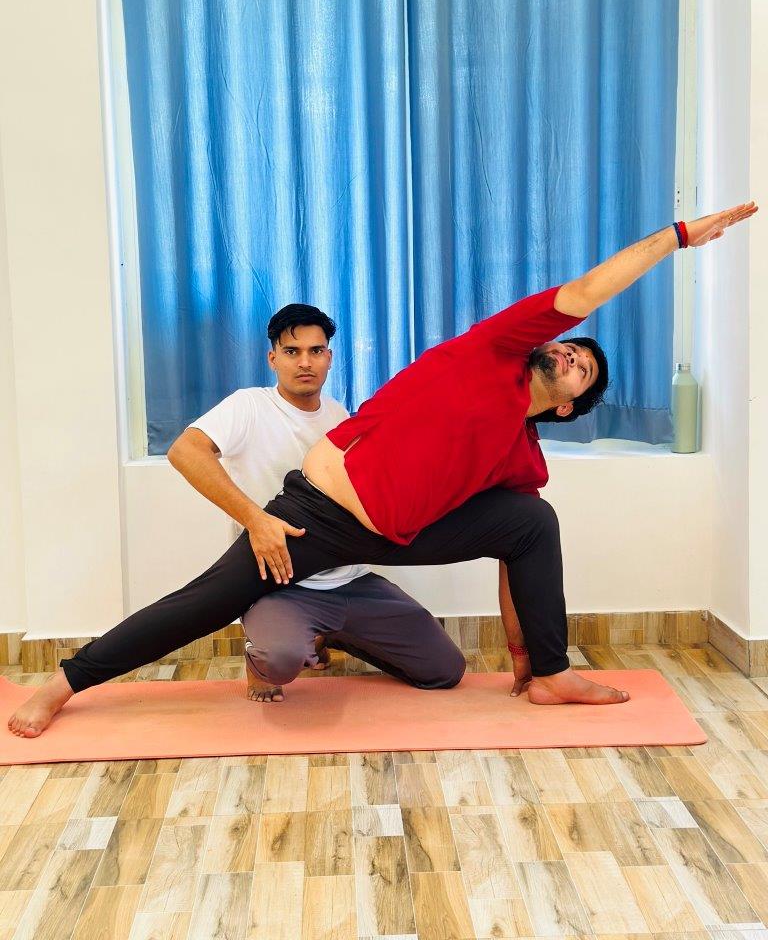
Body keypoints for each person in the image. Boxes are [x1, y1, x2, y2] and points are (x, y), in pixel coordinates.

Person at [8, 202, 757, 738]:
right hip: (318, 519)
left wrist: (527, 657)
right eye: (570, 347)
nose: (570, 354)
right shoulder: (495, 348)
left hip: (396, 534)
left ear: (569, 407)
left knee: (533, 522)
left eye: (582, 367)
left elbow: (514, 557)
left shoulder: (520, 453)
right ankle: (63, 683)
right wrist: (680, 235)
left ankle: (555, 677)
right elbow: (591, 290)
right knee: (201, 602)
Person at [167, 303, 465, 703]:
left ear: (329, 357)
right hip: (280, 583)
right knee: (281, 659)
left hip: (351, 580)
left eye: (316, 351)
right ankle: (273, 654)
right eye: (292, 351)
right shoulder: (249, 405)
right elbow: (185, 451)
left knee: (445, 670)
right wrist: (256, 521)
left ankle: (326, 633)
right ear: (273, 358)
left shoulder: (340, 416)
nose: (305, 362)